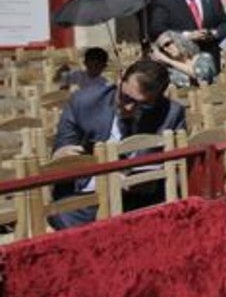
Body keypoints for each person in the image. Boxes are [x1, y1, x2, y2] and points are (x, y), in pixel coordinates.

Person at [51, 60, 186, 229]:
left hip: (138, 200)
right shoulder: (83, 103)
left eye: (142, 105)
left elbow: (179, 169)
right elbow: (61, 151)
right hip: (86, 197)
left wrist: (146, 181)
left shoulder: (171, 113)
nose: (128, 107)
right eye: (126, 97)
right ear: (120, 78)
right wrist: (64, 156)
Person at [149, 0, 226, 74]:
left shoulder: (213, 1)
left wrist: (213, 33)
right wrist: (187, 36)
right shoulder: (166, 2)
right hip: (182, 62)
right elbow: (156, 28)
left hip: (211, 59)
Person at [150, 30, 218, 88]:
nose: (166, 49)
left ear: (177, 41)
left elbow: (200, 77)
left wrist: (168, 61)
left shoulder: (204, 57)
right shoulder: (171, 71)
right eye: (162, 49)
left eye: (167, 44)